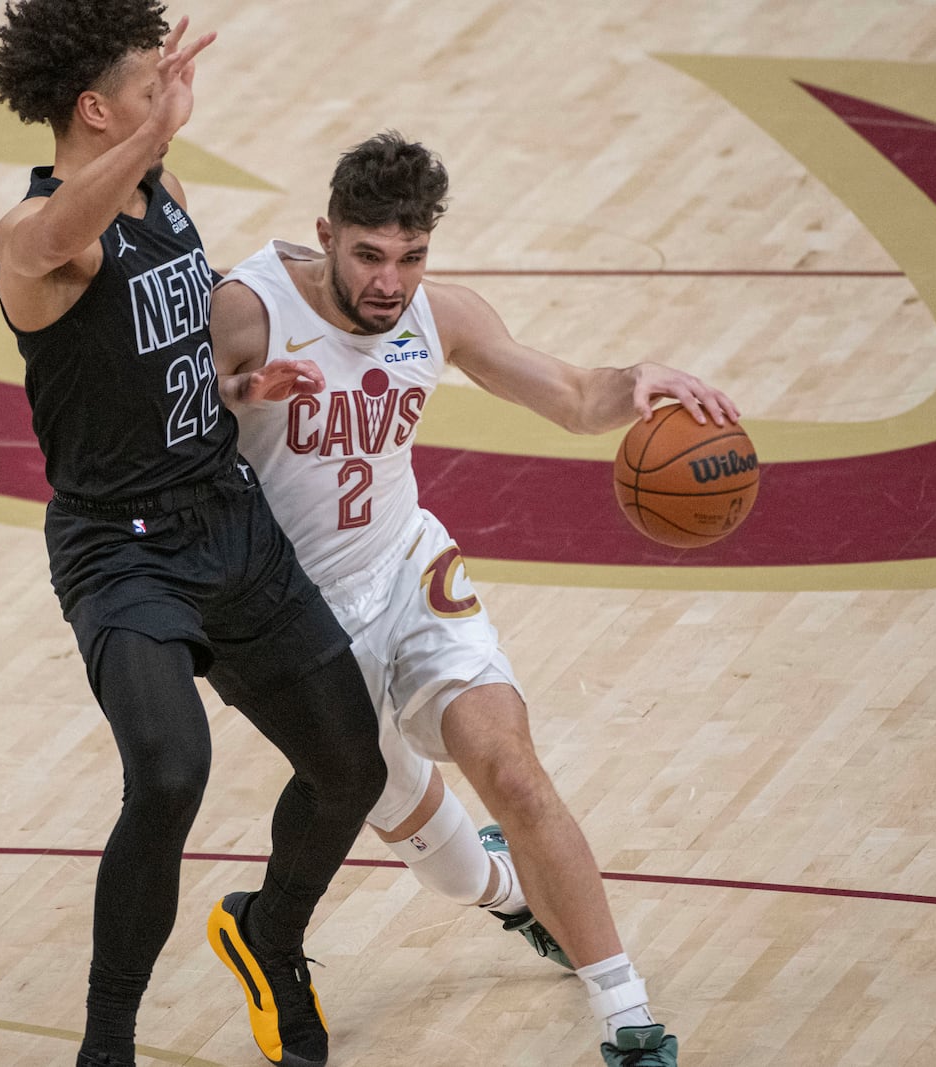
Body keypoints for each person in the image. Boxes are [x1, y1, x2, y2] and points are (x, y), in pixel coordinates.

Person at [211, 131, 742, 1067]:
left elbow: (576, 396)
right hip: (299, 618)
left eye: (410, 256)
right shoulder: (251, 311)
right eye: (369, 255)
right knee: (453, 870)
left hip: (410, 572)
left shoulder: (440, 314)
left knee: (514, 768)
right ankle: (506, 892)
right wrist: (237, 389)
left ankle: (628, 1018)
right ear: (325, 234)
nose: (389, 280)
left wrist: (636, 384)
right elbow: (163, 427)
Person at [0, 6, 387, 1067]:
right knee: (167, 774)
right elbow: (65, 234)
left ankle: (272, 934)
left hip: (225, 515)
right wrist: (151, 137)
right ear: (97, 109)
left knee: (351, 767)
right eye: (147, 82)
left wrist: (233, 384)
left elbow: (164, 347)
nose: (169, 96)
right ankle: (106, 1041)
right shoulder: (31, 243)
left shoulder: (162, 196)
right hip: (120, 551)